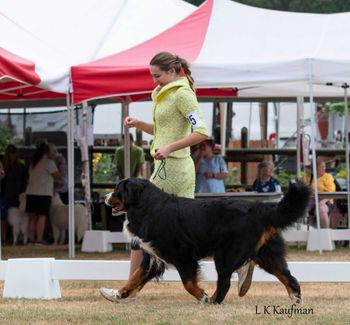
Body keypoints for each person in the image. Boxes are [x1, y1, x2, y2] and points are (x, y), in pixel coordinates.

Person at [100, 51, 254, 302]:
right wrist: (139, 124)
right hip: (164, 165)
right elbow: (163, 131)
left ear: (172, 71)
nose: (154, 80)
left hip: (173, 169)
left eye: (157, 75)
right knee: (184, 232)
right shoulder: (166, 94)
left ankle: (128, 292)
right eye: (152, 76)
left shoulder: (182, 95)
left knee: (141, 225)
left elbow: (202, 132)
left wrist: (171, 148)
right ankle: (240, 263)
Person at [25, 142, 62, 245]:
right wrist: (59, 164)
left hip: (31, 192)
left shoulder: (33, 162)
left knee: (32, 217)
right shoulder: (49, 162)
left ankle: (30, 239)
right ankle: (39, 238)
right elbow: (58, 176)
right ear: (48, 152)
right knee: (42, 216)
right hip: (43, 193)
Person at [0, 144, 27, 244]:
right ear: (8, 154)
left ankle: (13, 238)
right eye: (12, 153)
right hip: (4, 195)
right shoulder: (3, 166)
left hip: (16, 196)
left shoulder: (21, 166)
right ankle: (3, 238)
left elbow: (24, 181)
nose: (14, 156)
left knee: (15, 218)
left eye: (15, 153)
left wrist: (22, 192)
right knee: (3, 218)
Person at [306, 158, 335, 228]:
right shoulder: (307, 177)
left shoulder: (328, 177)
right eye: (322, 167)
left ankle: (325, 235)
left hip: (325, 200)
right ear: (315, 168)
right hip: (310, 201)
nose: (324, 168)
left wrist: (322, 202)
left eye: (324, 166)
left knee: (321, 209)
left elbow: (331, 191)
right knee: (300, 209)